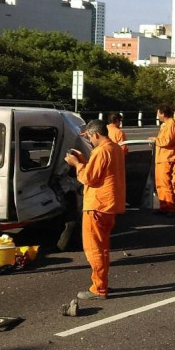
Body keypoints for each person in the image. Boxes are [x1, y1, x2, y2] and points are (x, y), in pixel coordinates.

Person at [64, 119, 126, 300]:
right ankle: (102, 283)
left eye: (89, 137)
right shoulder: (115, 148)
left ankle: (99, 288)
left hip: (97, 205)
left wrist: (76, 164)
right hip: (109, 205)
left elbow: (89, 178)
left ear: (96, 134)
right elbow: (100, 172)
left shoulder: (101, 151)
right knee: (103, 247)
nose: (89, 140)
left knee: (94, 249)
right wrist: (83, 160)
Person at [148, 104, 175, 217]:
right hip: (162, 157)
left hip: (167, 157)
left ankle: (171, 208)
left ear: (163, 113)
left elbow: (167, 141)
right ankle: (164, 206)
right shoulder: (165, 124)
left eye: (158, 113)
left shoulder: (171, 124)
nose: (157, 115)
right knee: (160, 184)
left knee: (165, 184)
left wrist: (155, 140)